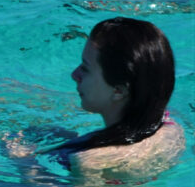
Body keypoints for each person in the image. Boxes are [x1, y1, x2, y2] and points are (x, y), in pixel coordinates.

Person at [16, 17, 186, 177]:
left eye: (85, 68)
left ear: (118, 91)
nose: (74, 74)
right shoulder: (172, 128)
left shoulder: (91, 161)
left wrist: (25, 163)